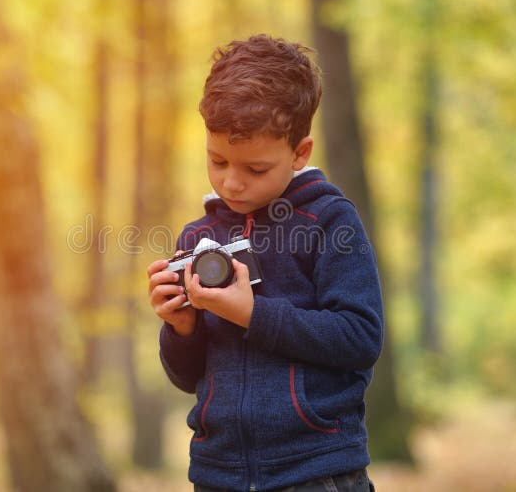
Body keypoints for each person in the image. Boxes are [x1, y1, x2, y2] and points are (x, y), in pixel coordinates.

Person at [146, 34, 383, 492]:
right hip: (218, 473)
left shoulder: (330, 221)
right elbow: (187, 378)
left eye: (255, 169)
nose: (231, 183)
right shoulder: (199, 238)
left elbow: (360, 338)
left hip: (316, 469)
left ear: (300, 153)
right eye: (217, 161)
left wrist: (251, 314)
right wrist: (180, 328)